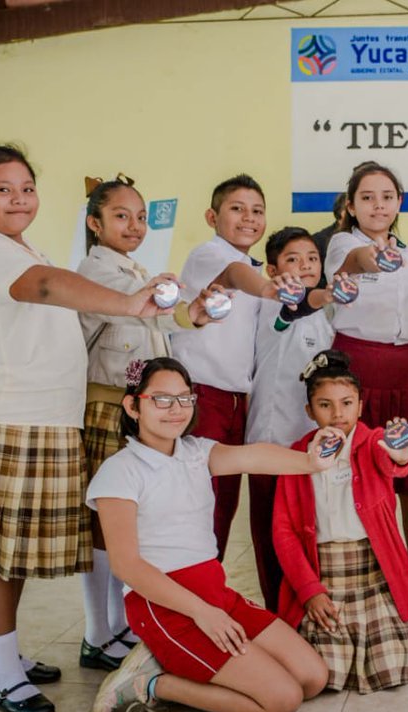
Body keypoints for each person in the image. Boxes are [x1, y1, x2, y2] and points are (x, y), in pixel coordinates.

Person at [0, 145, 173, 712]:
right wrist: (129, 304)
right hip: (5, 417)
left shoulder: (16, 245)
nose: (18, 199)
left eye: (26, 188)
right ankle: (4, 675)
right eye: (1, 189)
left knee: (13, 551)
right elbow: (42, 287)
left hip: (40, 417)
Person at [88, 357, 334, 712]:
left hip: (215, 594)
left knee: (313, 678)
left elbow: (253, 456)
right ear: (133, 405)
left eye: (185, 399)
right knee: (280, 701)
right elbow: (127, 566)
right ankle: (149, 682)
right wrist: (203, 613)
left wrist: (310, 462)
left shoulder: (197, 452)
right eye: (161, 399)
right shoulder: (120, 472)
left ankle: (174, 660)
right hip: (164, 605)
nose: (176, 410)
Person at [77, 175, 223, 670]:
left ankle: (117, 625)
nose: (134, 225)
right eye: (120, 216)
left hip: (139, 411)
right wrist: (186, 308)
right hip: (110, 406)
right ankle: (100, 631)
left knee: (131, 524)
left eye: (140, 217)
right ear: (94, 224)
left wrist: (194, 312)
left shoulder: (132, 268)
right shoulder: (98, 270)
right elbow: (151, 306)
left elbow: (160, 314)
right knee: (108, 528)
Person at [324, 161, 408, 627]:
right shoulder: (343, 244)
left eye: (388, 196)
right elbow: (356, 264)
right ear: (351, 206)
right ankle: (372, 582)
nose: (379, 205)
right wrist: (374, 257)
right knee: (363, 482)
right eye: (368, 197)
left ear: (399, 202)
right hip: (359, 366)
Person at [273, 350, 408, 693]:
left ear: (361, 405)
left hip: (374, 573)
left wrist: (401, 451)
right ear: (309, 411)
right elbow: (283, 532)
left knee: (390, 666)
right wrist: (309, 591)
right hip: (324, 576)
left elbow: (395, 462)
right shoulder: (297, 456)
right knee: (319, 676)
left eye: (347, 403)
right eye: (325, 404)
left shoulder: (373, 441)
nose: (337, 413)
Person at [170, 174, 291, 559]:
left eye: (257, 211)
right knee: (200, 502)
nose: (248, 218)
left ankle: (209, 584)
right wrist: (267, 286)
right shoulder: (209, 254)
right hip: (204, 395)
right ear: (212, 216)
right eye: (236, 209)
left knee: (223, 504)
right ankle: (188, 590)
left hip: (238, 399)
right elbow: (233, 277)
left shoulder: (251, 265)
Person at [245, 226, 338, 612]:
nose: (304, 266)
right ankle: (276, 609)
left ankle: (301, 602)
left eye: (312, 259)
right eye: (292, 260)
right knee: (271, 531)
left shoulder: (323, 316)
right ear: (272, 270)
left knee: (303, 529)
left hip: (307, 445)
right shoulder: (272, 305)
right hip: (273, 439)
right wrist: (328, 294)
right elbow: (293, 307)